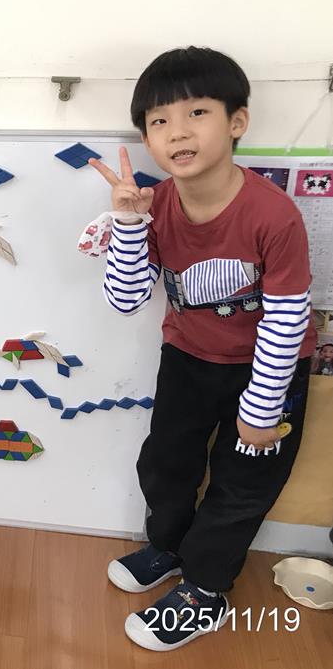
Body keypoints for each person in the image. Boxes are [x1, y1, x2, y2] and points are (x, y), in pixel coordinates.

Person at [89, 46, 317, 651]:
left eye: (197, 113)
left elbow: (287, 318)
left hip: (268, 369)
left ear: (236, 122)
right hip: (188, 358)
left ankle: (207, 589)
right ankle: (169, 548)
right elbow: (125, 300)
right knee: (165, 463)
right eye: (159, 121)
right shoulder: (156, 203)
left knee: (242, 485)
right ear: (146, 138)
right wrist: (129, 224)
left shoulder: (274, 215)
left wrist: (262, 408)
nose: (177, 132)